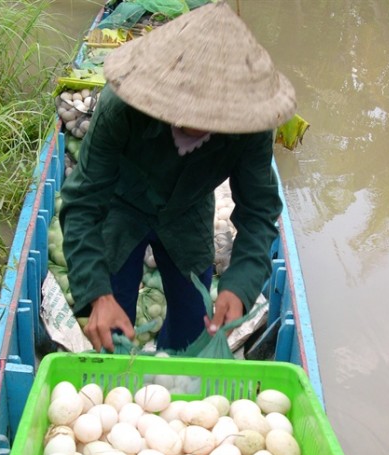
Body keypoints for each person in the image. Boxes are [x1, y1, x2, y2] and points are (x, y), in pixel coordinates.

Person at [59, 0, 296, 353]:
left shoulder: (251, 125)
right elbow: (82, 202)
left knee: (192, 326)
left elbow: (259, 213)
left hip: (189, 208)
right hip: (122, 205)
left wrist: (240, 286)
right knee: (113, 323)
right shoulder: (121, 107)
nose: (200, 122)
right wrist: (96, 294)